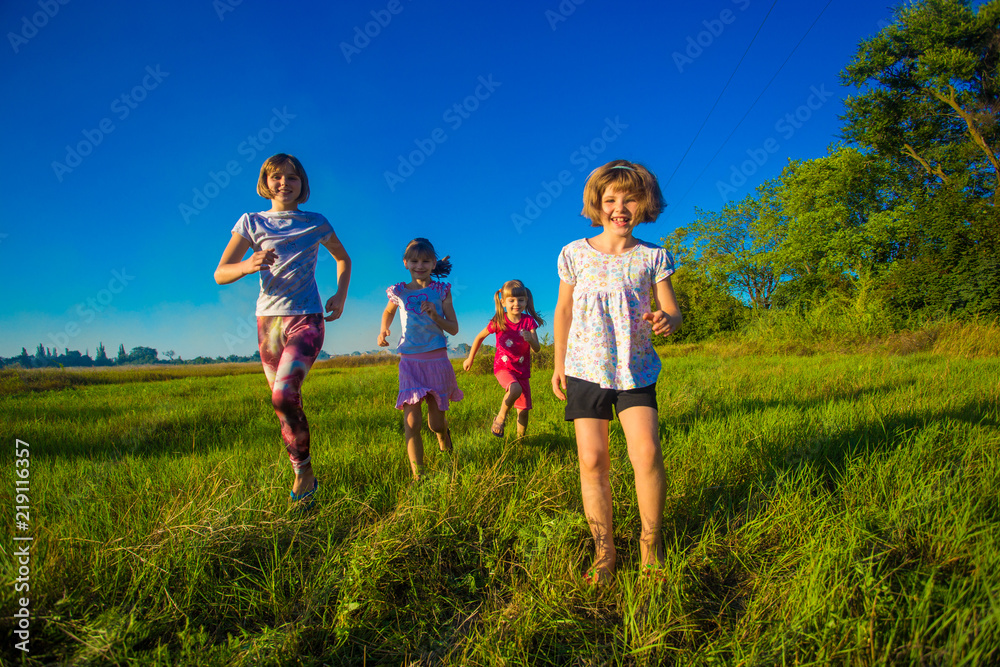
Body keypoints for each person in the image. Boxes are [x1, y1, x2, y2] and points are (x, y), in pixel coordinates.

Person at [551, 159, 682, 584]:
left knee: (646, 454)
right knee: (592, 461)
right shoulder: (573, 253)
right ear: (598, 205)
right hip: (585, 369)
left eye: (631, 199)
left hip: (635, 370)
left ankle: (651, 544)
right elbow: (564, 310)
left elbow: (673, 311)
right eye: (611, 200)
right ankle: (604, 552)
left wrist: (668, 320)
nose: (620, 207)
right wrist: (558, 365)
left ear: (646, 204)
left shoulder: (653, 257)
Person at [214, 153, 351, 510]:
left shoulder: (315, 222)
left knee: (283, 396)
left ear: (302, 185)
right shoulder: (251, 222)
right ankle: (303, 471)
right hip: (268, 323)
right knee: (284, 406)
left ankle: (303, 473)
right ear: (265, 182)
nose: (284, 183)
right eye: (277, 177)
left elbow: (343, 258)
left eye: (292, 178)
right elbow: (220, 272)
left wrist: (340, 294)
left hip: (307, 317)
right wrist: (246, 265)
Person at [377, 238, 461, 480]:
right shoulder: (399, 291)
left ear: (434, 263)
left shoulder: (441, 291)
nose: (420, 265)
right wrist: (383, 329)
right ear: (406, 263)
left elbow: (453, 328)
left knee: (435, 424)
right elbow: (388, 311)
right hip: (410, 363)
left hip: (436, 361)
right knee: (412, 422)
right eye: (414, 260)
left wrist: (436, 316)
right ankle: (419, 476)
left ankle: (444, 441)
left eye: (426, 261)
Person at [462, 279, 544, 438]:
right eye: (511, 300)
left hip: (522, 372)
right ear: (503, 302)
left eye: (520, 300)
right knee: (514, 388)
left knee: (524, 411)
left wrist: (531, 339)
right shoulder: (500, 320)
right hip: (503, 368)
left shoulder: (528, 322)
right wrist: (470, 358)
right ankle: (500, 418)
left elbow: (537, 348)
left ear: (526, 301)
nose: (516, 304)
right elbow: (479, 337)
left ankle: (520, 442)